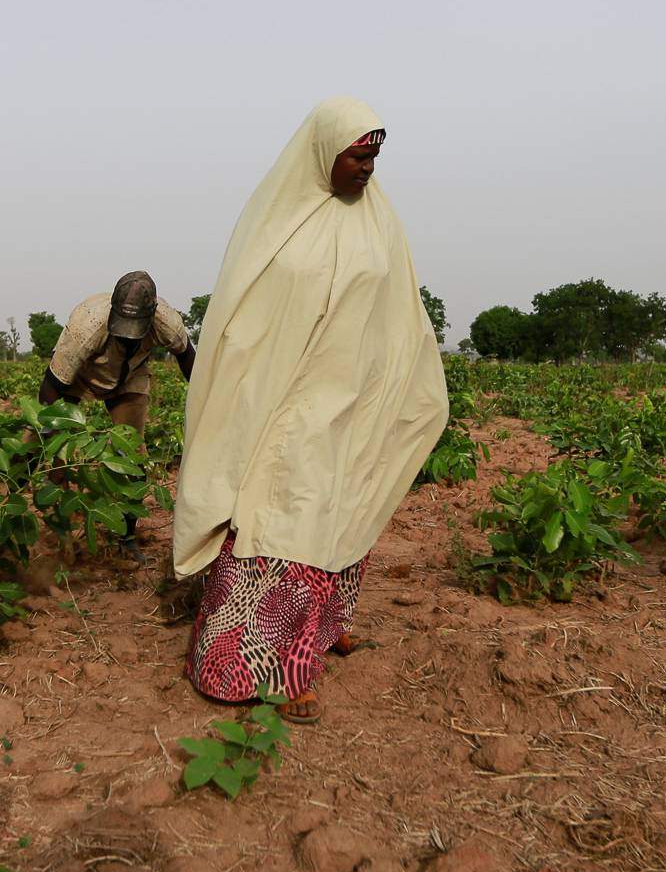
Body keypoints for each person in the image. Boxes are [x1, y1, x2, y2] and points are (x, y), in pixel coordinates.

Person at [172, 98, 447, 723]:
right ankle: (246, 661)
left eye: (374, 157)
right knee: (281, 517)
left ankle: (315, 639)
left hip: (351, 403)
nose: (367, 169)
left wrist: (396, 389)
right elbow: (244, 321)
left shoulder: (381, 224)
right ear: (326, 151)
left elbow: (400, 316)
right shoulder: (280, 223)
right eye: (357, 155)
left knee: (334, 513)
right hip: (284, 404)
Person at [40, 271, 195, 551]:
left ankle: (126, 537)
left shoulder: (167, 323)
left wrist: (203, 405)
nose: (127, 338)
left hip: (129, 378)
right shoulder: (86, 327)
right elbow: (51, 388)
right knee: (42, 450)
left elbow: (189, 361)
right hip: (81, 378)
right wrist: (54, 447)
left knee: (134, 462)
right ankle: (60, 537)